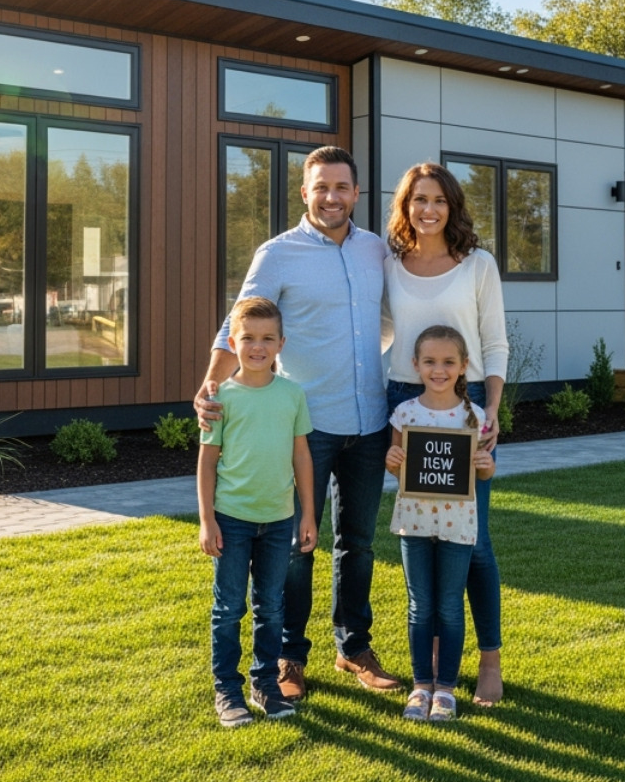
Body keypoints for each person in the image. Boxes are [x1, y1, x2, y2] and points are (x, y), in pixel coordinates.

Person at [194, 146, 401, 701]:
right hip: (304, 426)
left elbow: (387, 323)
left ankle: (353, 647)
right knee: (296, 545)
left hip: (370, 420)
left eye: (341, 187)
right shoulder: (277, 254)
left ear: (357, 194)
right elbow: (234, 324)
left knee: (357, 542)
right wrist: (212, 385)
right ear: (304, 193)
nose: (331, 196)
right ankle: (289, 656)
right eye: (320, 187)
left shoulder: (375, 251)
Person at [382, 161, 508, 706]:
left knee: (473, 541)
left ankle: (489, 661)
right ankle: (430, 671)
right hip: (405, 403)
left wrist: (492, 410)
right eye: (418, 200)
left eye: (438, 199)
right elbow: (380, 330)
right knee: (422, 530)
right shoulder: (389, 263)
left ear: (452, 205)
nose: (428, 209)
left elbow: (496, 342)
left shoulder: (478, 264)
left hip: (468, 403)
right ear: (405, 207)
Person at [198, 296, 318, 727]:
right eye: (248, 338)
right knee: (228, 607)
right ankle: (226, 690)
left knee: (271, 606)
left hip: (279, 520)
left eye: (268, 338)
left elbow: (302, 457)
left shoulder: (292, 395)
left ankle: (264, 682)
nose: (258, 347)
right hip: (231, 519)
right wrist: (207, 520)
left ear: (281, 344)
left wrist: (307, 515)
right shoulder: (219, 398)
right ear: (233, 342)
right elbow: (207, 462)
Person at [385, 325, 496, 723]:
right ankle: (420, 686)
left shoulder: (475, 416)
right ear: (415, 365)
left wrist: (486, 466)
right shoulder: (405, 413)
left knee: (450, 607)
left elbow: (482, 474)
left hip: (458, 526)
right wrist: (392, 462)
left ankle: (445, 688)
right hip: (414, 523)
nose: (439, 370)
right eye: (430, 362)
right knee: (420, 606)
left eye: (449, 362)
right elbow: (398, 464)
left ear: (464, 366)